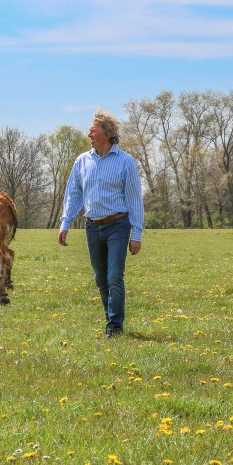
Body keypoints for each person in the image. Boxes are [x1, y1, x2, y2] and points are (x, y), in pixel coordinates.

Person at [58, 109, 145, 338]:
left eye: (92, 130)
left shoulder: (126, 162)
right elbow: (73, 194)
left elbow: (134, 199)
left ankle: (115, 326)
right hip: (92, 227)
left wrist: (136, 234)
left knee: (114, 275)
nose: (89, 135)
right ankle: (110, 319)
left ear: (106, 133)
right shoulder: (82, 161)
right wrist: (65, 223)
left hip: (118, 224)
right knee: (100, 278)